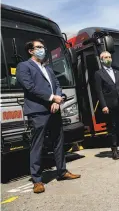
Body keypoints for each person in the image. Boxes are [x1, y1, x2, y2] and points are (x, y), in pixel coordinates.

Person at [16, 39, 80, 194]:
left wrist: (58, 100)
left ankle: (62, 171)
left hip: (54, 109)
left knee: (58, 141)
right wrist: (52, 98)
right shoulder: (23, 66)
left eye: (43, 47)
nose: (42, 50)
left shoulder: (48, 68)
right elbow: (30, 87)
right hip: (38, 111)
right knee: (37, 144)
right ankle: (37, 180)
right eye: (38, 47)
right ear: (31, 51)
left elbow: (57, 85)